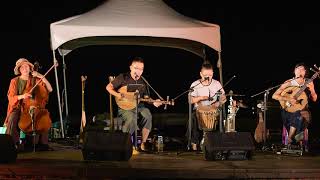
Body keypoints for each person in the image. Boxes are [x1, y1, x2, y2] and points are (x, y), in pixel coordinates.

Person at [106, 57, 162, 151]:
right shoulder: (123, 77)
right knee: (131, 118)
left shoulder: (143, 81)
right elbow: (108, 87)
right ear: (131, 67)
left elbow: (146, 98)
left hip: (138, 105)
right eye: (137, 68)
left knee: (147, 114)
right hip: (124, 106)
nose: (139, 71)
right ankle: (125, 143)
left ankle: (143, 143)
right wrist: (118, 95)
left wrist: (154, 102)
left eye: (141, 69)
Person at [3, 58, 53, 151]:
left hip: (32, 107)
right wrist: (22, 96)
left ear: (30, 68)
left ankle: (42, 143)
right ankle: (11, 144)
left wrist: (41, 76)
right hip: (18, 106)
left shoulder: (36, 79)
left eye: (26, 66)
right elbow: (11, 97)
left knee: (42, 117)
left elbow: (50, 89)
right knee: (12, 118)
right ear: (19, 70)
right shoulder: (14, 81)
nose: (25, 69)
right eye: (22, 67)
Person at [272, 63, 317, 147]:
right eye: (298, 69)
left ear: (305, 72)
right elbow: (274, 96)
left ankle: (290, 138)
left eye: (302, 69)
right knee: (297, 116)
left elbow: (314, 99)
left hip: (302, 110)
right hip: (287, 109)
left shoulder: (309, 82)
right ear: (294, 71)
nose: (300, 70)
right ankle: (298, 142)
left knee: (299, 115)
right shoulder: (289, 82)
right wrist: (288, 99)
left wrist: (312, 90)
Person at [187, 62, 226, 151]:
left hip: (213, 109)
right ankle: (194, 143)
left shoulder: (216, 84)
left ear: (212, 73)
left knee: (221, 117)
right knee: (192, 118)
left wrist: (218, 103)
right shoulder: (195, 84)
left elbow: (223, 98)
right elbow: (190, 100)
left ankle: (219, 142)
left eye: (210, 75)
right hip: (199, 110)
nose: (208, 77)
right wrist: (201, 98)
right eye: (205, 75)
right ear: (201, 74)